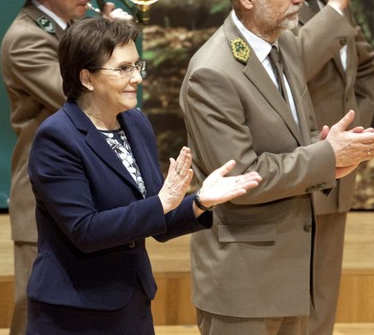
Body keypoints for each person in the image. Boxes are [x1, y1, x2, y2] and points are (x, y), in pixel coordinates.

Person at [180, 0, 374, 334]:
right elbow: (242, 177)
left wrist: (332, 154)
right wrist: (327, 157)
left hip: (292, 276)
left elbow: (297, 143)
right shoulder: (212, 72)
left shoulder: (285, 46)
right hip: (244, 286)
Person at [25, 17, 262, 334]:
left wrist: (200, 202)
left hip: (132, 302)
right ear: (87, 78)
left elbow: (157, 218)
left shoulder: (135, 123)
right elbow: (85, 230)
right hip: (75, 310)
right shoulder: (57, 138)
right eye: (123, 69)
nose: (136, 77)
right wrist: (163, 203)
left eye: (137, 66)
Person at [0, 0, 131, 335]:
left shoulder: (71, 35)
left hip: (89, 196)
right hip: (47, 198)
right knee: (37, 313)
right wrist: (113, 45)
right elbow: (85, 98)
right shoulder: (26, 37)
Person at [268, 0, 374, 335]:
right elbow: (289, 66)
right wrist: (336, 8)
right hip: (290, 175)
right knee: (287, 303)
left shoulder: (319, 0)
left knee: (322, 302)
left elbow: (365, 63)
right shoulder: (266, 4)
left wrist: (357, 122)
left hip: (334, 171)